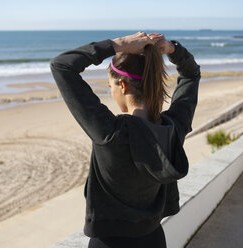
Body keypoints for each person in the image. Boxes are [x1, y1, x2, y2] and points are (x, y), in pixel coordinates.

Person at [50, 32, 200, 248]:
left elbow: (62, 66)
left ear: (123, 85)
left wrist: (118, 45)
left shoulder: (110, 132)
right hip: (154, 240)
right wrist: (172, 49)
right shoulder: (173, 129)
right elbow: (191, 75)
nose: (110, 91)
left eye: (110, 85)